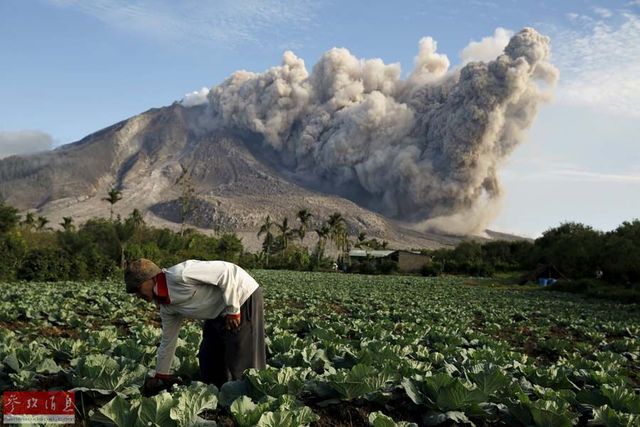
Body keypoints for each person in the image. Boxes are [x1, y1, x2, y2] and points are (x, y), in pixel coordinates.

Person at [124, 258, 266, 390]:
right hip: (216, 310)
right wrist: (161, 374)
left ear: (150, 279)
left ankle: (245, 397)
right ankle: (217, 395)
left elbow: (226, 272)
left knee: (240, 354)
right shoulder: (166, 307)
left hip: (241, 296)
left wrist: (233, 310)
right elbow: (168, 340)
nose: (137, 295)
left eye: (137, 288)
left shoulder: (180, 274)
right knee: (208, 356)